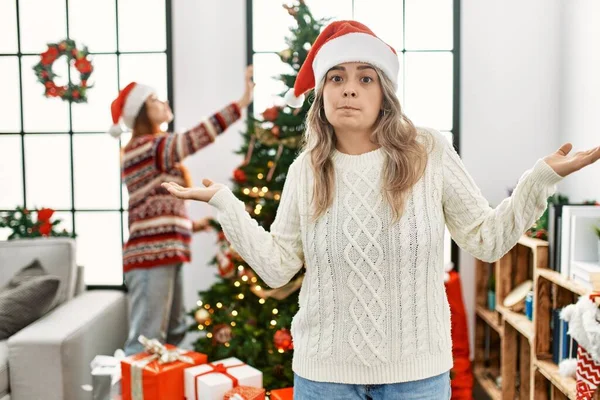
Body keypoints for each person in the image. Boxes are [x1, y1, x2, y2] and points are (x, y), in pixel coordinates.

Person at [163, 21, 600, 399]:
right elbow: (278, 268)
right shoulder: (305, 171)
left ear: (384, 94)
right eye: (336, 77)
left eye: (365, 77)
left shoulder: (429, 151)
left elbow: (485, 240)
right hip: (324, 379)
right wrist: (224, 203)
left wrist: (539, 178)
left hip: (418, 379)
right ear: (322, 94)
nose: (350, 87)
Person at [109, 66, 254, 356]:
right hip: (151, 256)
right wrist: (239, 105)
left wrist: (198, 226)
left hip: (164, 252)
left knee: (172, 334)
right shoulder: (147, 147)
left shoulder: (152, 149)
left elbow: (156, 211)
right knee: (146, 341)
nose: (164, 103)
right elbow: (194, 138)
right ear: (141, 114)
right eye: (154, 100)